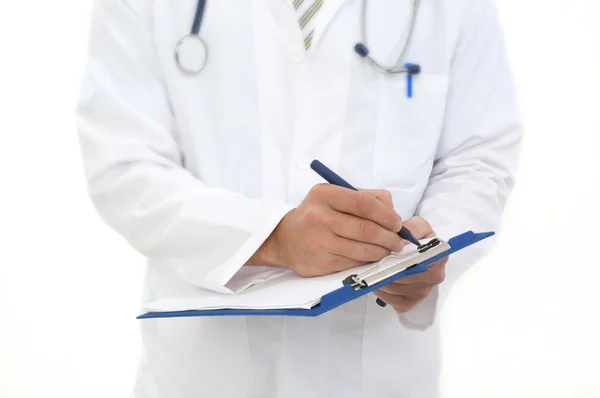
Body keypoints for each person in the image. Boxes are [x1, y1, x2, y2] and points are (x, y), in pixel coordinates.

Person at [75, 0, 522, 397]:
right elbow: (124, 164)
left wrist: (427, 253)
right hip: (202, 375)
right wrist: (271, 238)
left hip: (377, 375)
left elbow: (478, 155)